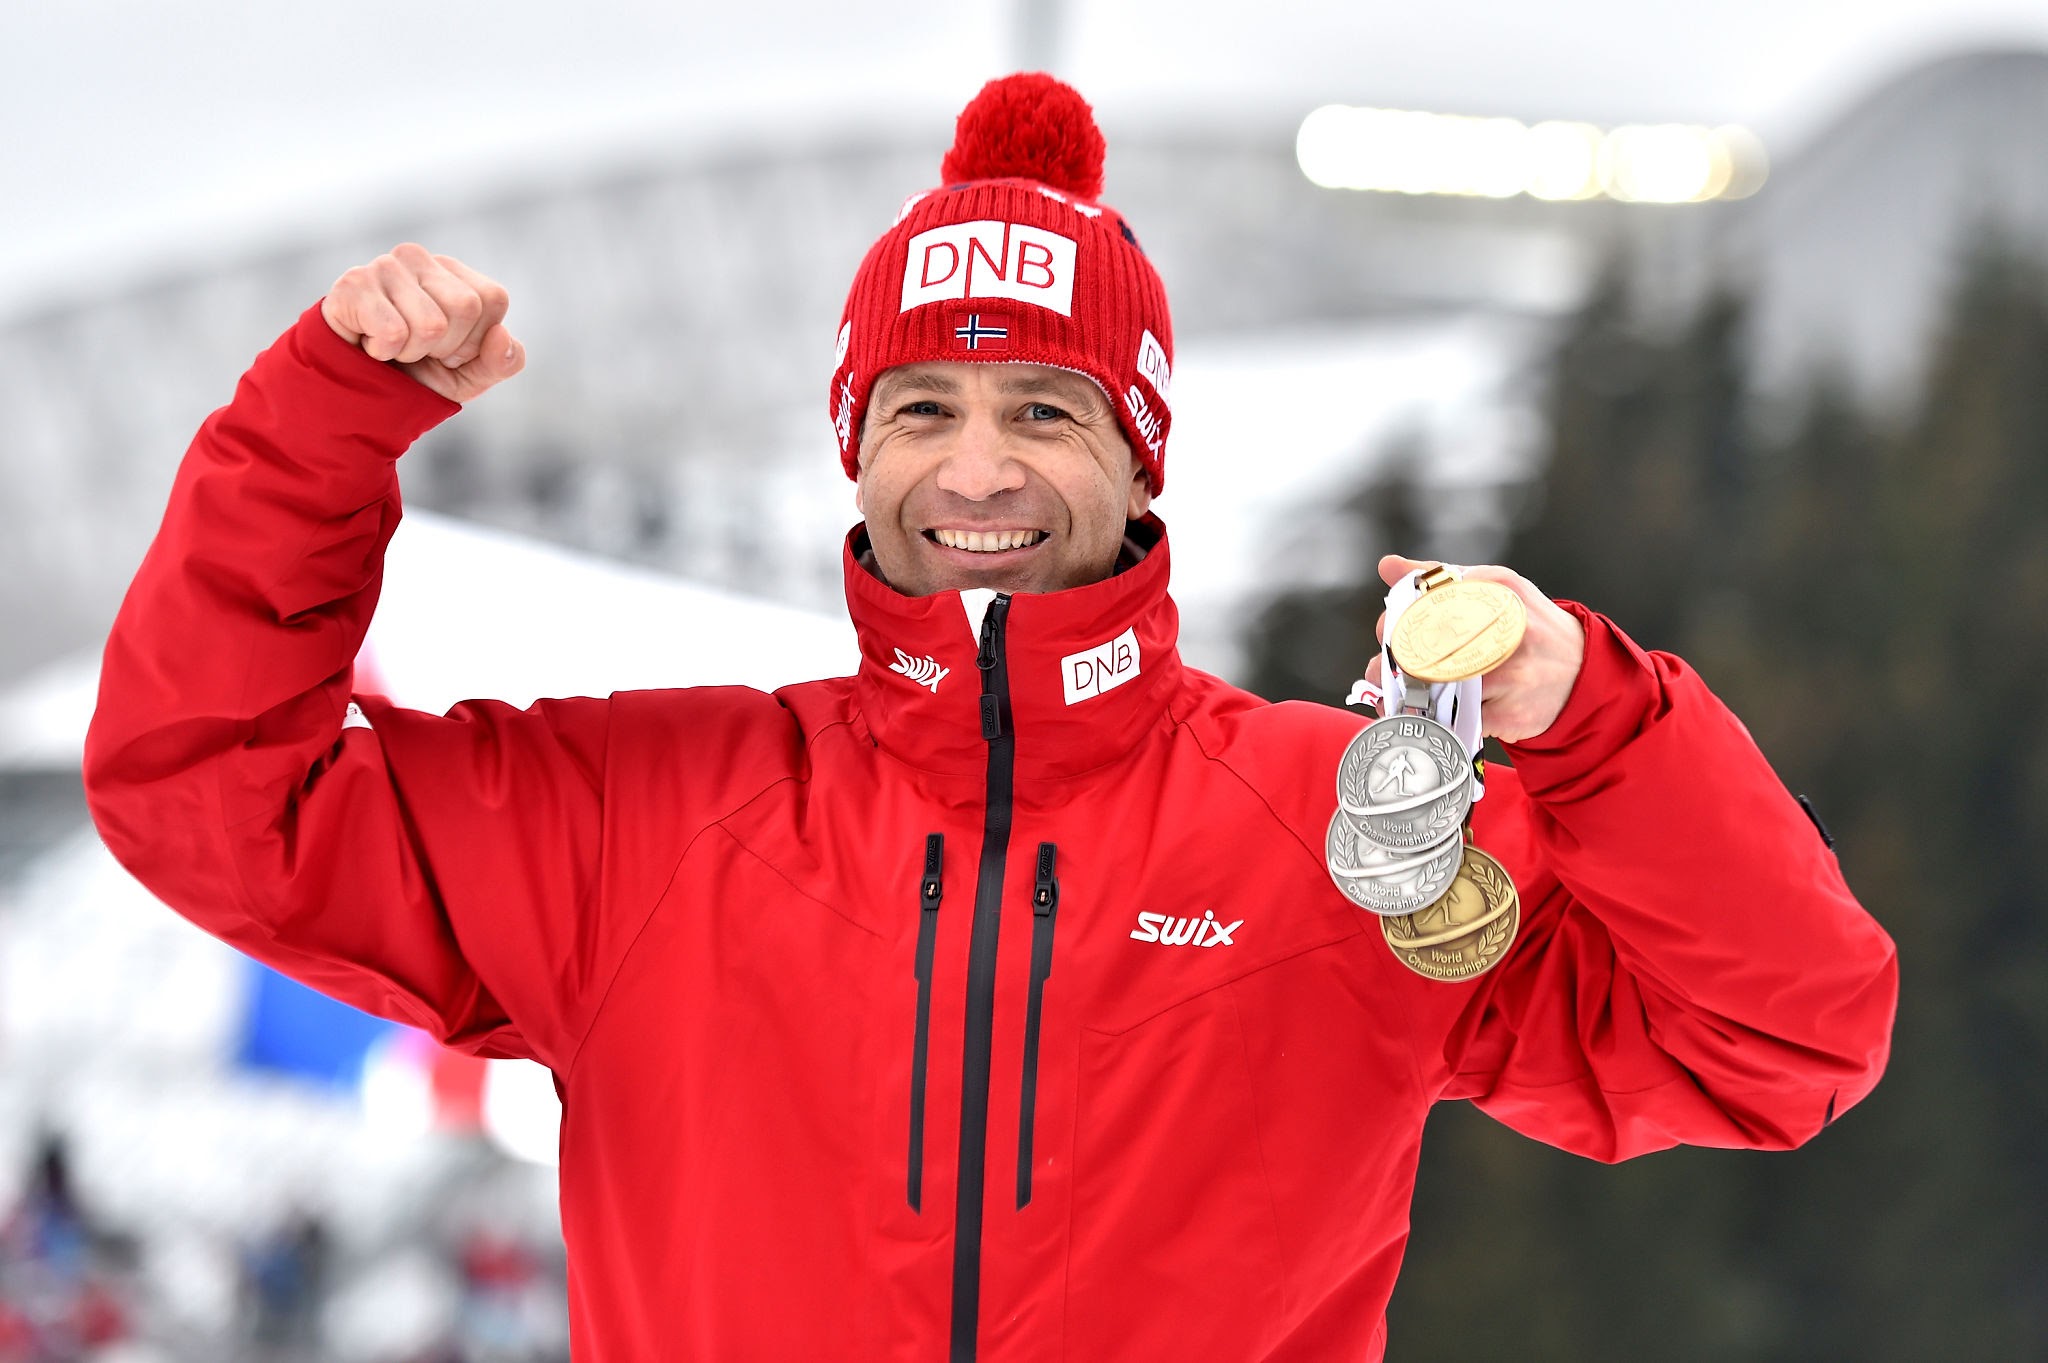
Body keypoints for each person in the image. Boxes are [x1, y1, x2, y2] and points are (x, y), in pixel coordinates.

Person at [84, 73, 1898, 1361]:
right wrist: (322, 427)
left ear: (1140, 458)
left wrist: (1597, 723)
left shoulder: (1344, 826)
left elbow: (1779, 1043)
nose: (976, 468)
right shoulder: (650, 813)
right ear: (854, 447)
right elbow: (212, 797)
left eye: (1045, 409)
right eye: (922, 409)